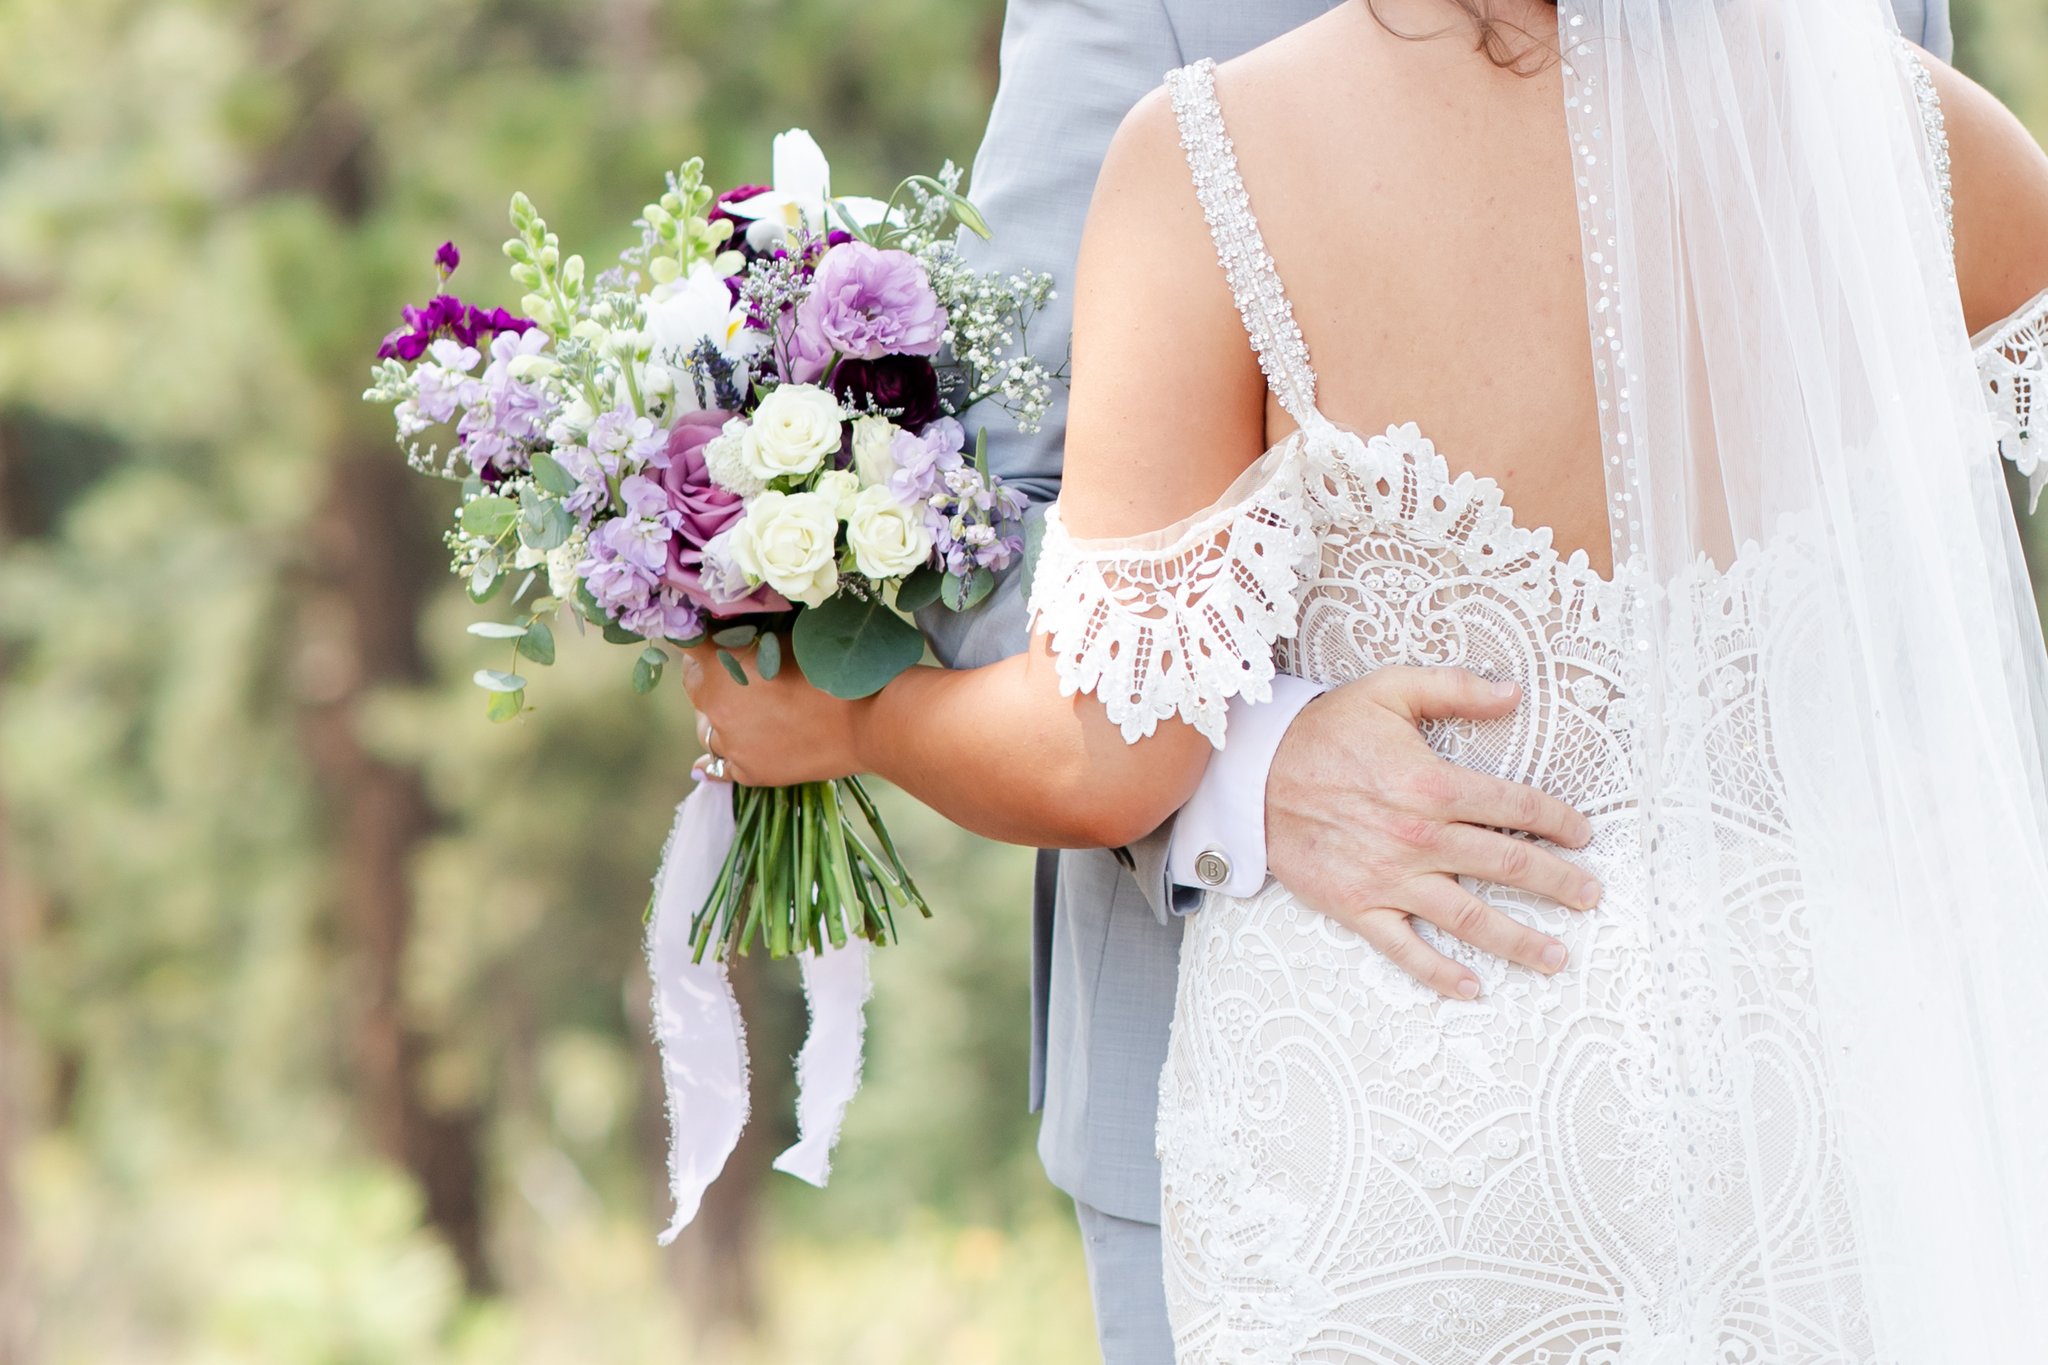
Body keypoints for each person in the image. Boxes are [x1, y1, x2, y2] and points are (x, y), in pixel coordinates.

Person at [689, 0, 2048, 1358]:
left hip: (1409, 1133)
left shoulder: (1219, 153)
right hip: (1824, 1117)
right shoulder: (1906, 125)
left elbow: (1108, 751)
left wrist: (859, 714)